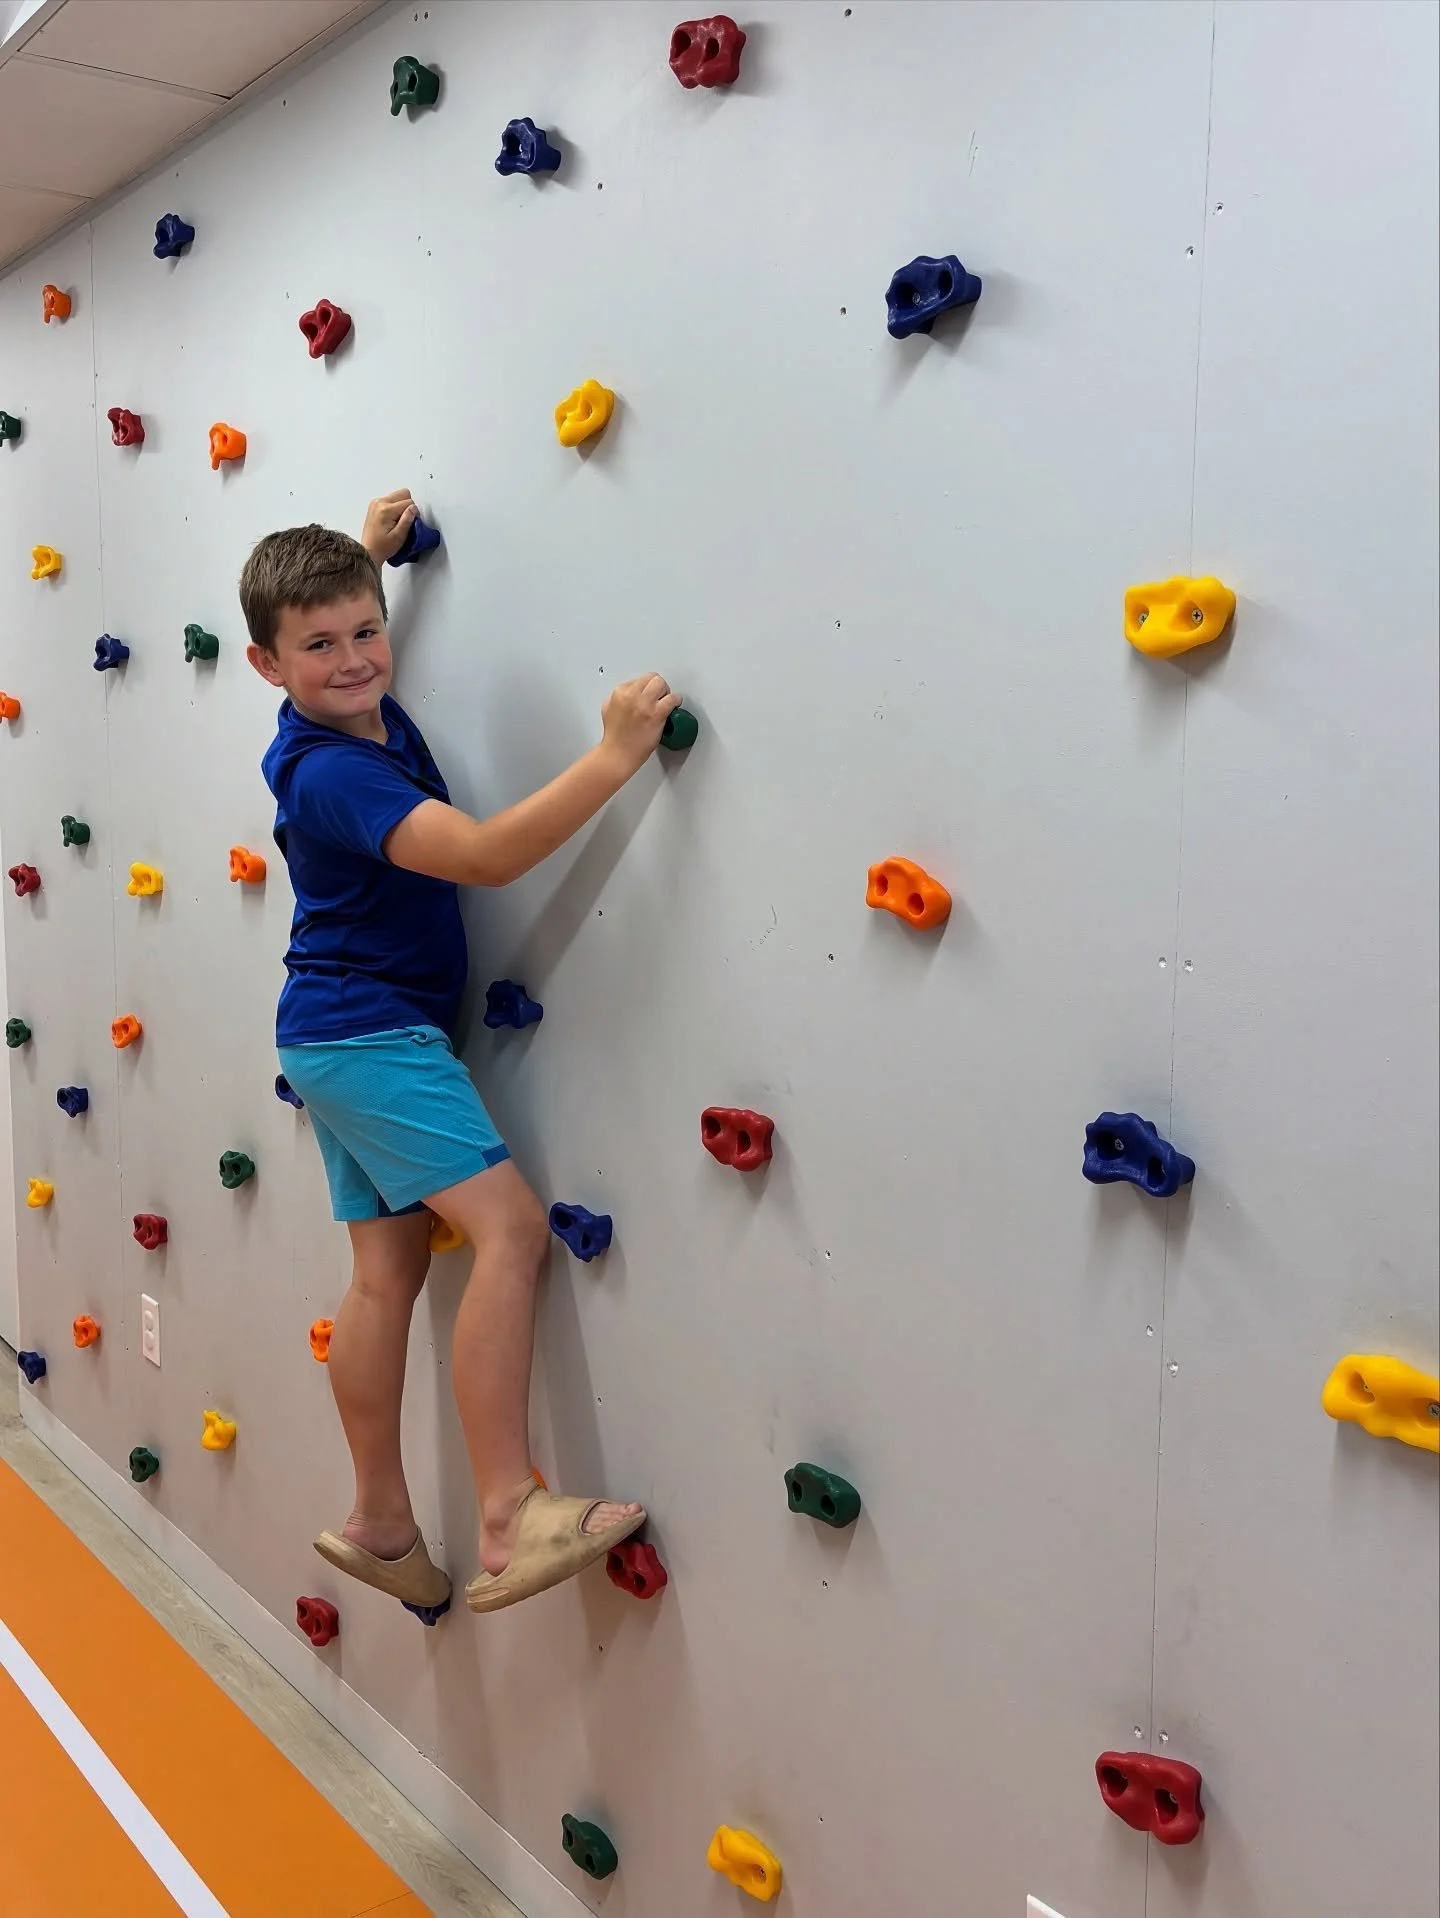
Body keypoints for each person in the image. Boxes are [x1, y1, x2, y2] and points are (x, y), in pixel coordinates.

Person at [240, 488, 678, 1618]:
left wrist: (372, 559)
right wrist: (616, 756)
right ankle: (506, 1512)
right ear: (265, 666)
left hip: (338, 1032)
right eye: (320, 646)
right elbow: (480, 856)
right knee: (512, 1229)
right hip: (368, 1029)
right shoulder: (333, 772)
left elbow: (335, 622)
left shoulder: (348, 708)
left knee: (386, 1272)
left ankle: (382, 1520)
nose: (354, 660)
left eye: (366, 631)